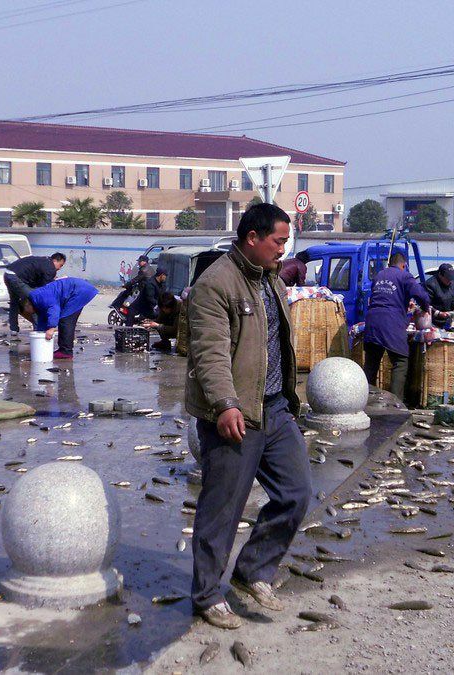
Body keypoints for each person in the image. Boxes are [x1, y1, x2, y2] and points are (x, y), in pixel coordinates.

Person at [184, 202, 308, 630]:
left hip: (275, 408)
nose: (283, 249)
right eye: (278, 241)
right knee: (223, 508)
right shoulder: (215, 284)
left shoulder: (270, 278)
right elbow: (210, 353)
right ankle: (205, 595)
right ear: (251, 238)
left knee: (296, 493)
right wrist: (224, 405)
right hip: (236, 413)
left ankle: (252, 569)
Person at [363, 252, 431, 402]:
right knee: (400, 361)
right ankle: (396, 403)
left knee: (371, 364)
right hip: (391, 322)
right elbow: (421, 295)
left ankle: (364, 400)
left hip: (372, 321)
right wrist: (426, 308)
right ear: (404, 265)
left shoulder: (379, 275)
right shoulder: (405, 276)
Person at [21, 276, 98, 360]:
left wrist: (51, 328)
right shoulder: (36, 301)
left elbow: (54, 309)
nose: (30, 313)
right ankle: (63, 349)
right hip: (75, 291)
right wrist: (40, 334)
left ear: (27, 304)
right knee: (64, 318)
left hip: (80, 291)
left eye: (27, 311)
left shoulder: (40, 297)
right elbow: (43, 318)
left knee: (65, 320)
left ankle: (66, 351)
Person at [4, 252, 66, 333]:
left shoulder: (44, 260)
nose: (59, 268)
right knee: (35, 301)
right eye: (60, 265)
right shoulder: (50, 268)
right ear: (55, 260)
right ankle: (39, 330)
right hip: (16, 277)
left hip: (8, 273)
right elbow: (45, 288)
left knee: (14, 302)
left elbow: (37, 279)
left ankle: (13, 329)